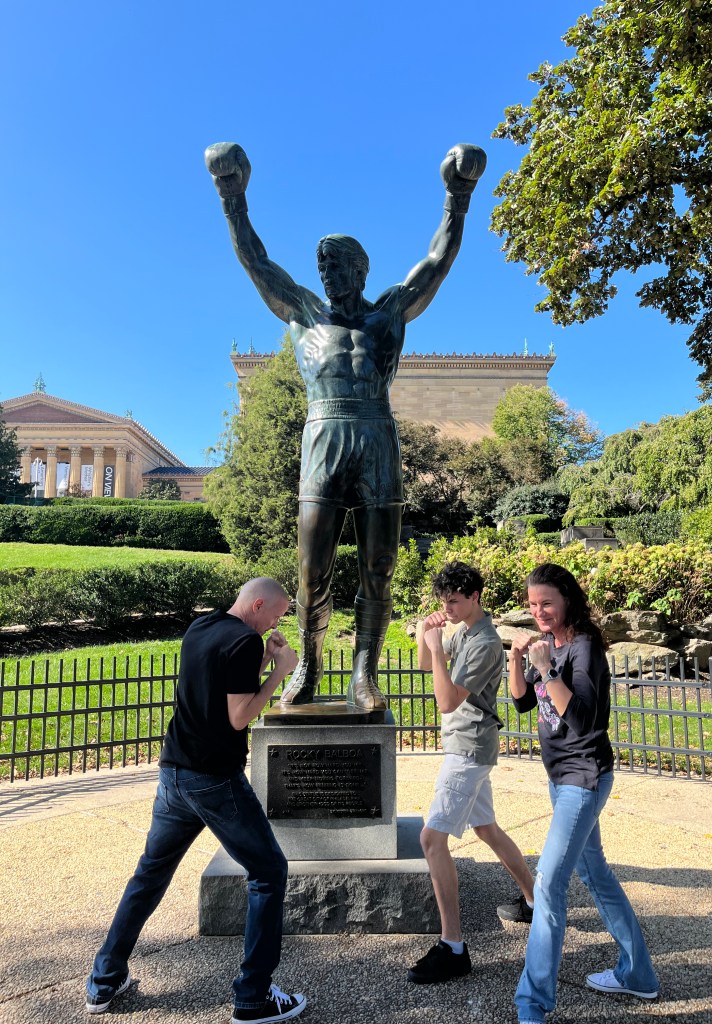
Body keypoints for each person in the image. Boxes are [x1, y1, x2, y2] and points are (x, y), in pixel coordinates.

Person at [204, 140, 486, 711]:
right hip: (323, 435)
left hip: (376, 436)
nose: (328, 274)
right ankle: (308, 664)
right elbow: (256, 262)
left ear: (361, 270)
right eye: (322, 266)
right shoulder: (304, 313)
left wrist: (458, 196)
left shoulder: (388, 314)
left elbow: (437, 262)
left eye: (338, 265)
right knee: (313, 568)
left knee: (379, 566)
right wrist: (233, 196)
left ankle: (365, 673)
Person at [85, 578, 307, 1024]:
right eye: (276, 615)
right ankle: (253, 998)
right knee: (268, 872)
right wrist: (281, 672)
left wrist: (263, 657)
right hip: (214, 779)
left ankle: (104, 981)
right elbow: (239, 715)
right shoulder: (244, 640)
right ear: (258, 604)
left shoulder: (202, 626)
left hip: (174, 772)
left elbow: (219, 676)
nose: (275, 623)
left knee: (149, 875)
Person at [505, 563, 659, 1023]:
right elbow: (520, 702)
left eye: (546, 603)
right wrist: (518, 661)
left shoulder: (585, 647)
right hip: (560, 779)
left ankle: (531, 1005)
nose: (539, 612)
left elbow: (583, 720)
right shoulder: (547, 645)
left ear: (567, 599)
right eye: (532, 605)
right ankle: (639, 975)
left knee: (549, 884)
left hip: (584, 778)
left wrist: (547, 669)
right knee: (597, 876)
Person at [407, 561, 535, 984]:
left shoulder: (483, 643)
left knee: (431, 838)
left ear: (476, 596)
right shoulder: (461, 628)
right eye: (444, 602)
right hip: (467, 744)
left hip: (468, 748)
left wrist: (436, 641)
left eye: (455, 601)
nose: (449, 608)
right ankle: (536, 901)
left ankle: (453, 946)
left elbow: (446, 700)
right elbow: (429, 665)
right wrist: (431, 637)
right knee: (487, 829)